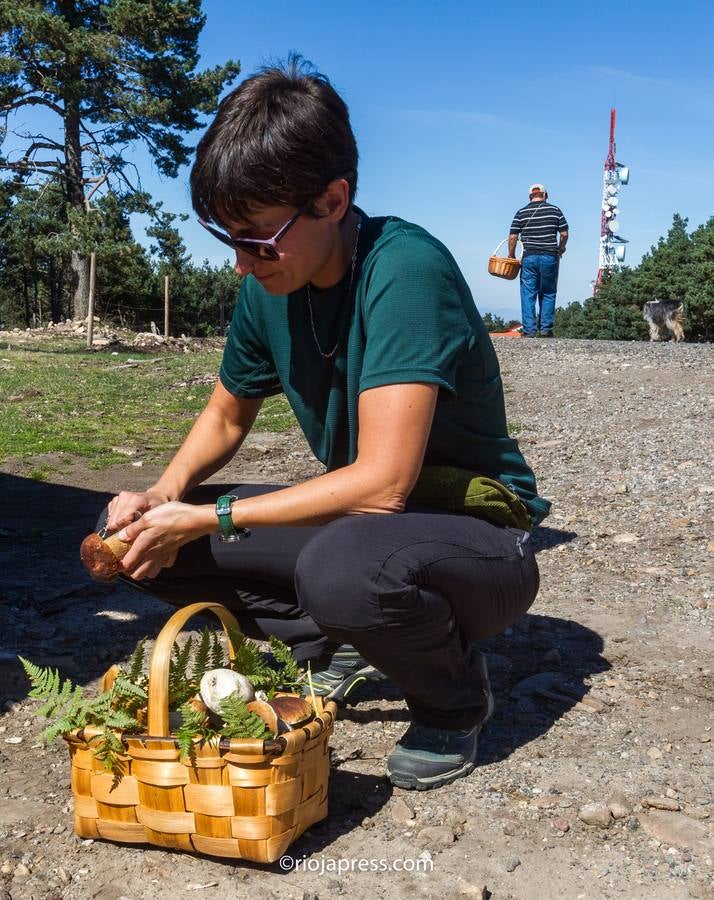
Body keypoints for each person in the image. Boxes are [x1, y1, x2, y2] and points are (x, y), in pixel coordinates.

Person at [102, 56, 550, 791]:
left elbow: (381, 486)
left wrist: (209, 513)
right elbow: (225, 410)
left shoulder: (404, 270)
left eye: (257, 238)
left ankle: (454, 696)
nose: (243, 263)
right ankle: (342, 643)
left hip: (478, 543)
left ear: (333, 199)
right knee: (140, 542)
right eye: (228, 237)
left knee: (343, 570)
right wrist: (162, 496)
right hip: (366, 530)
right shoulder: (271, 282)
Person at [508, 184, 568, 337]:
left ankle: (529, 331)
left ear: (530, 196)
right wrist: (560, 249)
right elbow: (564, 234)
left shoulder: (521, 213)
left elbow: (513, 237)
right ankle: (546, 330)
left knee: (528, 293)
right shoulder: (555, 211)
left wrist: (511, 255)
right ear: (545, 195)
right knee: (548, 292)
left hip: (529, 257)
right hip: (550, 257)